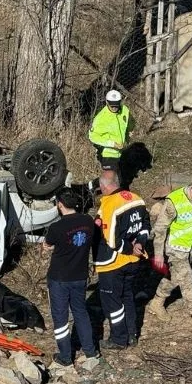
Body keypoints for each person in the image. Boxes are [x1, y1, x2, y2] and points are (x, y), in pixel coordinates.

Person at [146, 180, 192, 333]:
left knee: (175, 277)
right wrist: (158, 254)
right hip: (175, 249)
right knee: (188, 279)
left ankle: (157, 302)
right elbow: (160, 228)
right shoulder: (174, 201)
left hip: (191, 249)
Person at [94, 170, 150, 350]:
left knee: (113, 301)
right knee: (128, 297)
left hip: (113, 263)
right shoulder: (136, 199)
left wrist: (128, 248)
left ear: (104, 186)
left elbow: (111, 239)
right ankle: (132, 334)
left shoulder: (110, 204)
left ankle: (118, 338)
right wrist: (140, 244)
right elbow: (145, 226)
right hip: (133, 261)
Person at [43, 188, 97, 366]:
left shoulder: (56, 227)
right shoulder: (88, 221)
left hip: (59, 278)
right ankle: (90, 351)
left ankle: (65, 356)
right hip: (80, 275)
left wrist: (48, 247)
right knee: (81, 312)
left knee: (60, 317)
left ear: (60, 205)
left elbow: (47, 245)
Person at [89, 90, 131, 175]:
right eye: (112, 106)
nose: (114, 108)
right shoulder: (101, 118)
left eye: (116, 105)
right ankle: (91, 186)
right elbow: (92, 136)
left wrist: (129, 132)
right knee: (111, 180)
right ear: (107, 102)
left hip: (122, 153)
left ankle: (93, 185)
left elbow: (129, 123)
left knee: (122, 179)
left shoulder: (124, 110)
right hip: (108, 154)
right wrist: (112, 144)